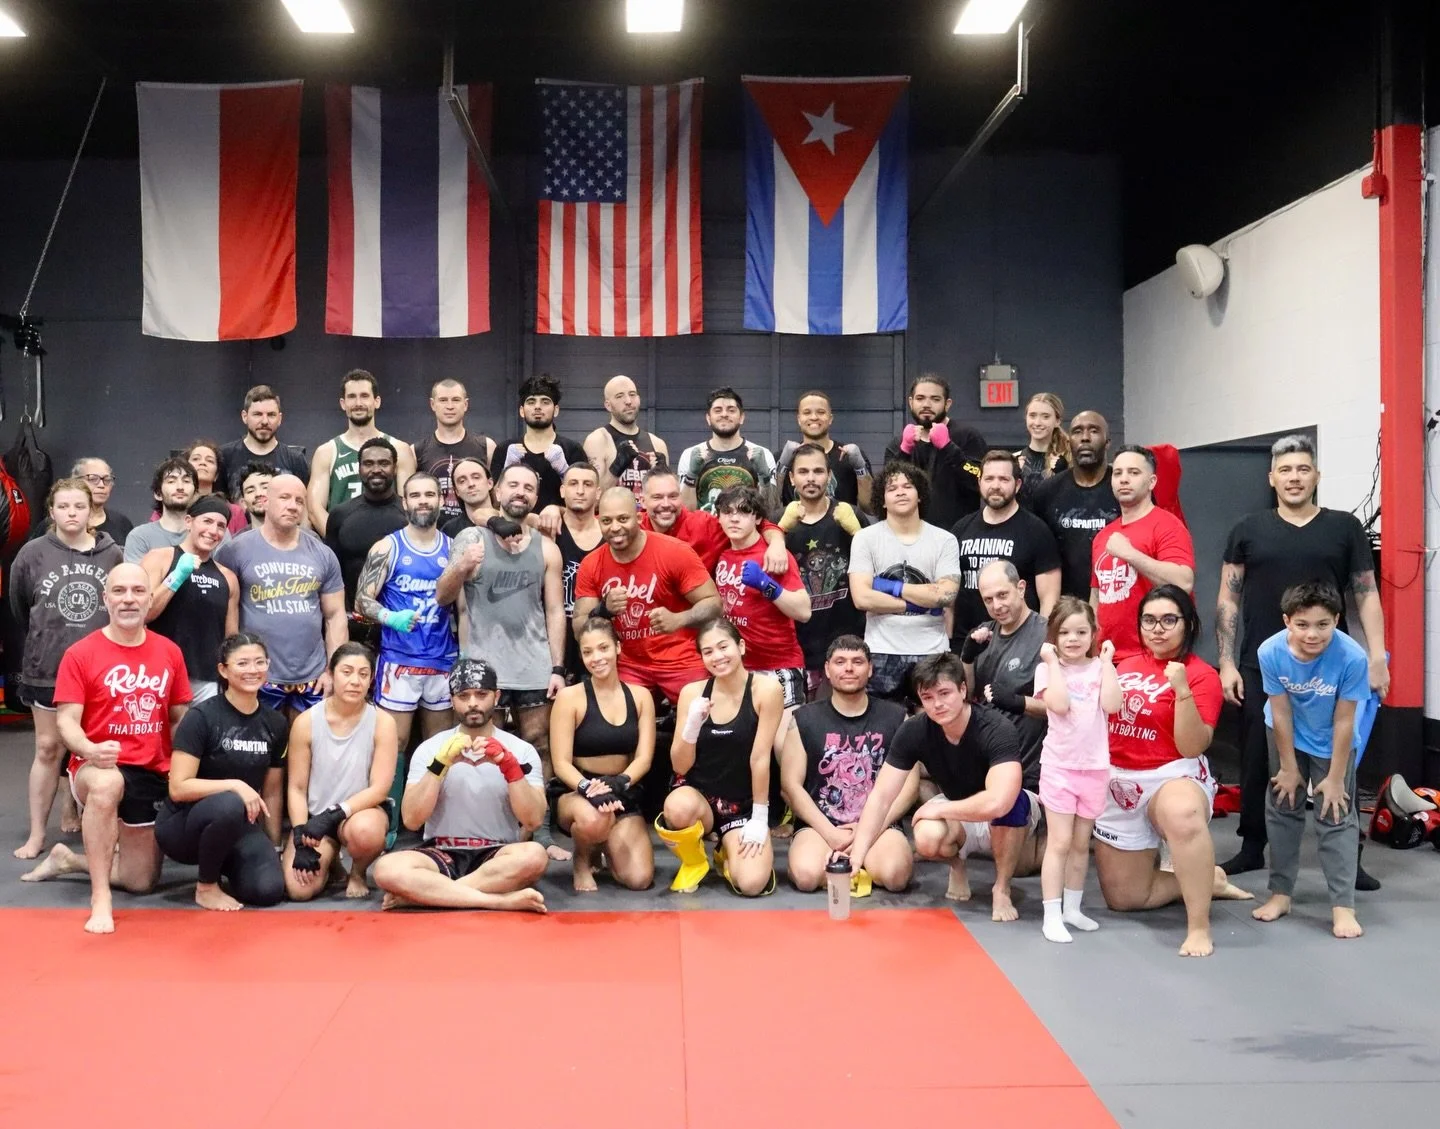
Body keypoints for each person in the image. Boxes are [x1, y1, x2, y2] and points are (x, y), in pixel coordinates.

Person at [1216, 432, 1388, 878]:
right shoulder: (1247, 529)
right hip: (1263, 662)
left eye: (1303, 469)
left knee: (1338, 756)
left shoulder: (1344, 527)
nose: (1295, 478)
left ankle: (1349, 855)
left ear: (1317, 476)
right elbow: (1227, 600)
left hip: (1333, 666)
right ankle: (1253, 844)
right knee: (1258, 756)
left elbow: (1366, 595)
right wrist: (1228, 662)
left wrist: (1377, 656)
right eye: (1286, 470)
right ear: (1272, 478)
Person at [22, 564, 192, 934]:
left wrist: (185, 766)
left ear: (150, 598)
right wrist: (90, 748)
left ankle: (69, 860)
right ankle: (101, 898)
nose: (128, 599)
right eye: (119, 591)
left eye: (136, 591)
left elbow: (180, 717)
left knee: (140, 880)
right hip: (96, 762)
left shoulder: (169, 652)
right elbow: (66, 720)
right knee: (106, 785)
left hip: (151, 768)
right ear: (105, 599)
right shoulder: (81, 653)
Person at [1093, 585, 1252, 957]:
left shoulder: (1200, 676)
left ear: (1188, 624)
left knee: (1181, 815)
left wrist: (1181, 690)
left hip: (1172, 772)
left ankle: (1199, 926)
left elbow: (1191, 746)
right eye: (1149, 620)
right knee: (1126, 897)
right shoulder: (1125, 664)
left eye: (1169, 620)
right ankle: (1204, 880)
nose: (1158, 628)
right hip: (1119, 779)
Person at [845, 653, 1040, 922]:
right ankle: (956, 864)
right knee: (926, 836)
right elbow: (881, 796)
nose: (937, 704)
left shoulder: (996, 727)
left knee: (1014, 809)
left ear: (963, 690)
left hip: (1006, 812)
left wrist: (940, 808)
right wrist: (857, 854)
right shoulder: (914, 730)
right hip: (959, 811)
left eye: (945, 693)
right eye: (928, 697)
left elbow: (999, 801)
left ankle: (1001, 887)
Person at [371, 658, 548, 914]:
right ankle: (496, 900)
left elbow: (533, 821)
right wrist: (440, 765)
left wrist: (509, 766)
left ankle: (431, 895)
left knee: (534, 856)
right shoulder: (431, 749)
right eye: (464, 695)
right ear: (452, 700)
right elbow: (411, 820)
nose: (473, 702)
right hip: (441, 850)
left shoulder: (521, 751)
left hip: (497, 853)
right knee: (386, 869)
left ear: (496, 697)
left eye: (481, 694)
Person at [10, 478, 123, 859]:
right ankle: (38, 834)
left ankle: (108, 828)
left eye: (79, 506)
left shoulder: (114, 555)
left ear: (91, 511)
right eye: (64, 507)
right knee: (47, 748)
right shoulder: (31, 554)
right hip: (47, 667)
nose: (72, 513)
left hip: (101, 671)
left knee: (101, 750)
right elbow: (21, 607)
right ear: (52, 511)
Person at [1251, 582, 1368, 939]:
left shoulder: (1352, 657)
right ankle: (1280, 894)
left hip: (1332, 740)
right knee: (1283, 806)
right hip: (1286, 735)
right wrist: (1288, 768)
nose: (1312, 634)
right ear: (1287, 620)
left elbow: (1346, 719)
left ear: (1337, 619)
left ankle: (1343, 906)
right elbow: (1280, 711)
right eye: (1302, 624)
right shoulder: (1270, 651)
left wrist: (1334, 778)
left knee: (1336, 814)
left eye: (1322, 624)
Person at [154, 633, 287, 910]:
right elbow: (178, 788)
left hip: (237, 825)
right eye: (242, 663)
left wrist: (274, 847)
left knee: (268, 891)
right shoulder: (201, 717)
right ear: (223, 670)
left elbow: (272, 791)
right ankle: (206, 886)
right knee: (229, 802)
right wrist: (235, 785)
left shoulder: (275, 723)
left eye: (259, 662)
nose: (252, 670)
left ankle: (224, 863)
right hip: (184, 825)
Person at [659, 619, 782, 896]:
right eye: (708, 651)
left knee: (751, 884)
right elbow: (680, 766)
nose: (717, 656)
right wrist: (692, 725)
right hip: (701, 798)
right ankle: (694, 861)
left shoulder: (766, 689)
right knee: (677, 806)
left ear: (741, 646)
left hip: (743, 803)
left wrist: (760, 819)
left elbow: (760, 758)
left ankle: (727, 851)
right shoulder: (692, 692)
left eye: (723, 647)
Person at [781, 636, 913, 892]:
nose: (849, 668)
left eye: (857, 662)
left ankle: (858, 861)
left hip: (879, 824)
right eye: (840, 662)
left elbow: (909, 788)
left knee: (895, 876)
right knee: (807, 877)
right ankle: (849, 862)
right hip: (821, 824)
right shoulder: (804, 718)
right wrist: (830, 834)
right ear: (828, 670)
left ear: (870, 669)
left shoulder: (898, 717)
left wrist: (868, 831)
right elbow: (790, 786)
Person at [572, 488, 721, 707]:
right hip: (629, 664)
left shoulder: (674, 551)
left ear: (639, 517)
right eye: (606, 521)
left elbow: (715, 604)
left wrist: (680, 619)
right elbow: (578, 629)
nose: (615, 528)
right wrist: (603, 611)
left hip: (681, 659)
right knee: (613, 719)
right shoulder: (592, 564)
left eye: (623, 519)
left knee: (703, 713)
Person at [215, 474, 347, 717]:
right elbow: (224, 611)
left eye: (299, 500)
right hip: (258, 676)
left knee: (307, 750)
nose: (292, 505)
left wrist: (332, 669)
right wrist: (234, 667)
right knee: (261, 750)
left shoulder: (323, 553)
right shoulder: (235, 550)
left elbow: (335, 615)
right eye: (284, 498)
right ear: (266, 501)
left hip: (312, 676)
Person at [1033, 599, 1120, 943]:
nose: (1073, 639)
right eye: (1065, 632)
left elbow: (1112, 705)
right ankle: (1051, 915)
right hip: (1059, 768)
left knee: (1082, 844)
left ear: (1093, 634)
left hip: (1095, 768)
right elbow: (1059, 704)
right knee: (1060, 842)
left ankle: (1073, 908)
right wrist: (1053, 662)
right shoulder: (1046, 669)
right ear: (1053, 635)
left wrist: (1108, 662)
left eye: (1081, 632)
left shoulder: (1100, 668)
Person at [548, 617, 657, 892]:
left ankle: (604, 843)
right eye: (587, 652)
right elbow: (560, 762)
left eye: (603, 648)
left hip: (622, 788)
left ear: (618, 648)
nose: (596, 658)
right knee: (595, 818)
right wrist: (587, 788)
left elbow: (644, 758)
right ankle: (583, 860)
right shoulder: (570, 698)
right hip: (577, 790)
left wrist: (620, 782)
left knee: (639, 879)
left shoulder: (641, 696)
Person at [283, 643, 398, 901]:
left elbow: (380, 788)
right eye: (347, 672)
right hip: (315, 819)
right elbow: (297, 787)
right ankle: (331, 860)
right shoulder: (305, 722)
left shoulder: (383, 722)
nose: (355, 681)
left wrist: (335, 813)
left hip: (357, 815)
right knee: (298, 890)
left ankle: (357, 871)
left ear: (371, 680)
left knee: (366, 833)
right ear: (332, 675)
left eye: (363, 674)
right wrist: (301, 834)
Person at [354, 472, 458, 752]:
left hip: (442, 660)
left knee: (440, 747)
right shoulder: (388, 547)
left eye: (429, 494)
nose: (422, 501)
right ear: (404, 502)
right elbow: (361, 600)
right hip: (399, 660)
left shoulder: (452, 548)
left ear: (441, 499)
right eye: (415, 495)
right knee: (393, 744)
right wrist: (390, 617)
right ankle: (389, 798)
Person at [848, 461, 960, 703]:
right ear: (883, 500)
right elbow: (862, 597)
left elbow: (946, 596)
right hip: (881, 652)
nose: (900, 491)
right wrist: (920, 603)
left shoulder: (945, 540)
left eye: (907, 486)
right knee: (885, 730)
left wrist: (893, 587)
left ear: (919, 495)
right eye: (892, 488)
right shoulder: (865, 539)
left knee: (936, 728)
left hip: (932, 652)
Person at [1091, 445, 1194, 661]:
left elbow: (1183, 582)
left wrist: (1130, 554)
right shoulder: (1104, 536)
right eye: (1118, 473)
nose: (1124, 479)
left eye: (1134, 472)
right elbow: (1097, 595)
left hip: (1151, 656)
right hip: (1107, 657)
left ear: (1152, 482)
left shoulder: (1167, 525)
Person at [713, 485, 811, 712]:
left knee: (784, 742)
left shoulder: (774, 555)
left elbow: (804, 611)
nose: (734, 519)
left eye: (743, 512)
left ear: (757, 518)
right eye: (727, 512)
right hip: (739, 668)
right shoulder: (723, 554)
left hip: (779, 665)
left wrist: (767, 585)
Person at [779, 443, 866, 698]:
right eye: (803, 472)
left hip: (843, 643)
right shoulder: (780, 519)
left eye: (818, 471)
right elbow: (761, 571)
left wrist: (859, 534)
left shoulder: (850, 515)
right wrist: (778, 532)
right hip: (795, 644)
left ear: (829, 476)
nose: (811, 478)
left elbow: (878, 568)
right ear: (792, 478)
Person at [951, 450, 1062, 639]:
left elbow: (1049, 599)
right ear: (979, 483)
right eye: (989, 479)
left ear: (1017, 485)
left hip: (1018, 644)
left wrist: (1040, 645)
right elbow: (950, 597)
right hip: (966, 643)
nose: (995, 486)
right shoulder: (961, 529)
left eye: (1003, 479)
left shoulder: (1037, 531)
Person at [960, 561, 1049, 792]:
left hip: (1027, 771)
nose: (996, 606)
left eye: (1002, 595)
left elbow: (1066, 708)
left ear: (1020, 588)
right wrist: (967, 659)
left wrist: (1018, 702)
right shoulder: (984, 633)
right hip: (984, 762)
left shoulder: (1046, 634)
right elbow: (967, 696)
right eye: (988, 600)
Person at [141, 495, 240, 703]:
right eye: (207, 521)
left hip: (206, 680)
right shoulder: (159, 558)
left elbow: (231, 639)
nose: (213, 531)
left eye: (221, 526)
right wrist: (177, 576)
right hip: (159, 673)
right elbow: (144, 613)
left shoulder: (228, 577)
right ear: (189, 522)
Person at [308, 369, 415, 537]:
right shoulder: (327, 451)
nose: (358, 402)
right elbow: (315, 509)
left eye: (364, 396)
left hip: (390, 543)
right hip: (344, 547)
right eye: (352, 397)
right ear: (343, 403)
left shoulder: (400, 449)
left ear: (377, 401)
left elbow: (410, 505)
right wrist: (340, 540)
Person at [1030, 411, 1120, 598]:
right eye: (1078, 431)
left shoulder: (1124, 488)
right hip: (1065, 606)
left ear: (1108, 442)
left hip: (1116, 599)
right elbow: (1036, 554)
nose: (1085, 438)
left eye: (1094, 431)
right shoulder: (1047, 492)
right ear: (1069, 442)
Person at [883, 374, 986, 531]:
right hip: (909, 535)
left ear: (947, 404)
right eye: (920, 398)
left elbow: (980, 479)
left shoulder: (967, 436)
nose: (926, 404)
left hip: (958, 534)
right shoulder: (897, 444)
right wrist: (904, 451)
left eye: (935, 399)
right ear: (911, 402)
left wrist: (948, 448)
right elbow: (885, 489)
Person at [640, 468, 788, 573]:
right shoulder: (633, 528)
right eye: (657, 497)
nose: (666, 504)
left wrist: (777, 543)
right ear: (643, 501)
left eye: (673, 496)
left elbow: (757, 523)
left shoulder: (703, 525)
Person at [324, 437, 407, 620]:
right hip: (353, 620)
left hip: (402, 621)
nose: (376, 470)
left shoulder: (409, 514)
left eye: (384, 463)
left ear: (394, 468)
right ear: (359, 468)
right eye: (368, 464)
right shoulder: (340, 515)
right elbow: (331, 575)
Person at [489, 373, 588, 516]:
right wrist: (507, 467)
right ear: (522, 411)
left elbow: (584, 503)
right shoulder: (505, 449)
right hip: (516, 532)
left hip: (560, 531)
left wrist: (564, 471)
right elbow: (495, 502)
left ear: (556, 410)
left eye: (545, 402)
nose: (537, 407)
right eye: (531, 402)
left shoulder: (572, 450)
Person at [676, 386, 778, 515]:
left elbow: (771, 510)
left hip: (745, 533)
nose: (724, 414)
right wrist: (691, 477)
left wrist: (765, 479)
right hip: (705, 533)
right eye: (718, 410)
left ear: (741, 417)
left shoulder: (763, 454)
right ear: (708, 418)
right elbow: (685, 513)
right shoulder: (690, 454)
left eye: (731, 410)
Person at [413, 378, 494, 527]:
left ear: (466, 404)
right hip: (434, 535)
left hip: (479, 532)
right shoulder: (417, 450)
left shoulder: (486, 446)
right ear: (432, 404)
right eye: (443, 400)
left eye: (456, 400)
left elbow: (496, 496)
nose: (449, 406)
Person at [775, 390, 873, 511]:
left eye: (821, 412)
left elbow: (870, 507)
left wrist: (860, 468)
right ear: (799, 419)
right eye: (807, 412)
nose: (814, 417)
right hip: (794, 529)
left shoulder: (850, 456)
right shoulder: (784, 457)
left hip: (842, 529)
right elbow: (770, 508)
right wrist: (780, 469)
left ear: (830, 418)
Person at [583, 374, 670, 499]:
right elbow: (592, 501)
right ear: (608, 405)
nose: (628, 401)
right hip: (612, 517)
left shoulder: (658, 444)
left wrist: (663, 477)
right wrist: (616, 467)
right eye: (619, 396)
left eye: (632, 394)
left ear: (639, 399)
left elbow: (669, 500)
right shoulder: (597, 440)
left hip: (647, 518)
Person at [217, 384, 310, 499]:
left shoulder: (296, 459)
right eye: (257, 414)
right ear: (244, 417)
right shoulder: (224, 456)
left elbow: (305, 504)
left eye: (271, 415)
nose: (265, 421)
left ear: (280, 419)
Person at [554, 463, 603, 680]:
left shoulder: (611, 534)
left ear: (598, 492)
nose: (580, 491)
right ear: (562, 490)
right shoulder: (547, 527)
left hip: (600, 640)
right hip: (556, 641)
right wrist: (550, 509)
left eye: (588, 484)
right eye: (573, 484)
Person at [123, 457, 198, 563]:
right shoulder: (140, 537)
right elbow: (136, 578)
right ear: (158, 494)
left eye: (186, 481)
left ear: (195, 494)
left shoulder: (205, 533)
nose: (180, 487)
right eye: (171, 481)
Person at [176, 440, 248, 534]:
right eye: (196, 459)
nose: (202, 463)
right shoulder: (173, 505)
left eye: (209, 460)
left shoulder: (234, 512)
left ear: (216, 475)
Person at [1014, 392, 1070, 501]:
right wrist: (1013, 474)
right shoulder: (1014, 460)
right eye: (1032, 415)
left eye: (1045, 417)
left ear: (1057, 421)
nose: (1037, 422)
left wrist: (1065, 474)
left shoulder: (1069, 459)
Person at [73, 457, 132, 546]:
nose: (101, 485)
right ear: (76, 482)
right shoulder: (56, 523)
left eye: (107, 480)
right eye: (93, 479)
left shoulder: (122, 523)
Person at [440, 457, 499, 537]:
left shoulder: (508, 519)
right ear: (457, 491)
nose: (471, 484)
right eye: (462, 481)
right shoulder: (449, 530)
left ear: (490, 483)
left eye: (476, 477)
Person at [238, 461, 276, 529]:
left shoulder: (299, 536)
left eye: (265, 487)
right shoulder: (238, 539)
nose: (258, 493)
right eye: (250, 491)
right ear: (243, 503)